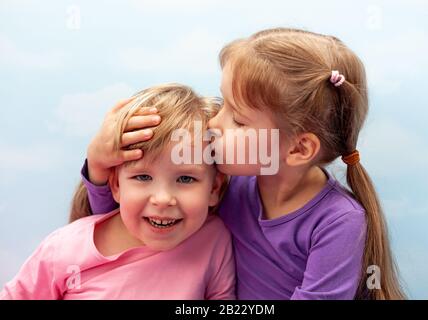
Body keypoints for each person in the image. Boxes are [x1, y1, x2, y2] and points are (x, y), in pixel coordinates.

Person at [77, 28, 406, 299]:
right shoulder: (232, 181)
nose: (214, 124)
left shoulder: (338, 221)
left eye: (238, 119)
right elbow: (120, 223)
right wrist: (98, 162)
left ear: (298, 148)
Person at [1, 84, 235, 300]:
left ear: (214, 187)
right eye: (142, 177)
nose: (163, 199)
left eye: (185, 178)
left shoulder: (213, 239)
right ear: (115, 185)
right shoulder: (63, 248)